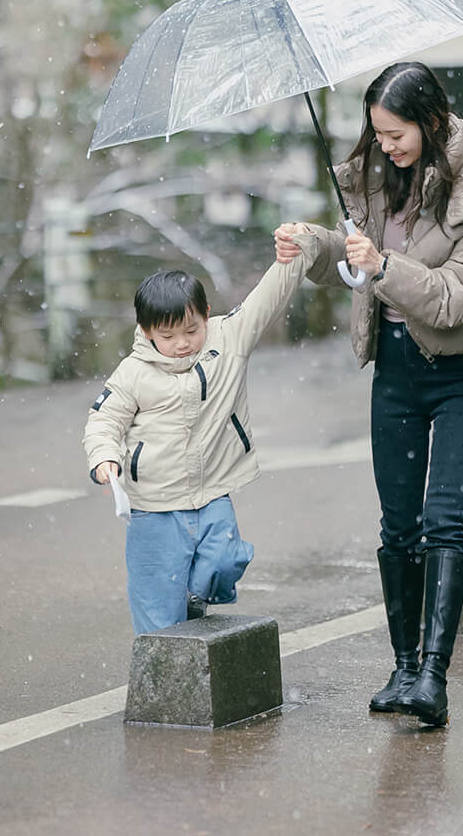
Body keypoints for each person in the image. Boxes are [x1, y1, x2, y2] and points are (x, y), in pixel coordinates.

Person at [274, 61, 463, 728]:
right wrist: (314, 246)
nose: (384, 147)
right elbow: (356, 264)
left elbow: (455, 299)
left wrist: (382, 264)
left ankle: (433, 681)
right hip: (396, 372)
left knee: (443, 519)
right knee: (397, 527)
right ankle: (404, 668)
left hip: (461, 374)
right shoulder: (378, 180)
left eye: (395, 134)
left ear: (432, 120)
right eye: (377, 134)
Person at [84, 248, 312, 635]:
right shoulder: (133, 372)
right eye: (167, 336)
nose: (182, 343)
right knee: (156, 605)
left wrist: (294, 254)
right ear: (145, 330)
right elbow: (104, 419)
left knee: (226, 561)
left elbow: (266, 298)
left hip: (213, 493)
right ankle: (158, 678)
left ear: (206, 313)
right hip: (154, 506)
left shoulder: (228, 340)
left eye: (191, 330)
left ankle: (195, 599)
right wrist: (105, 457)